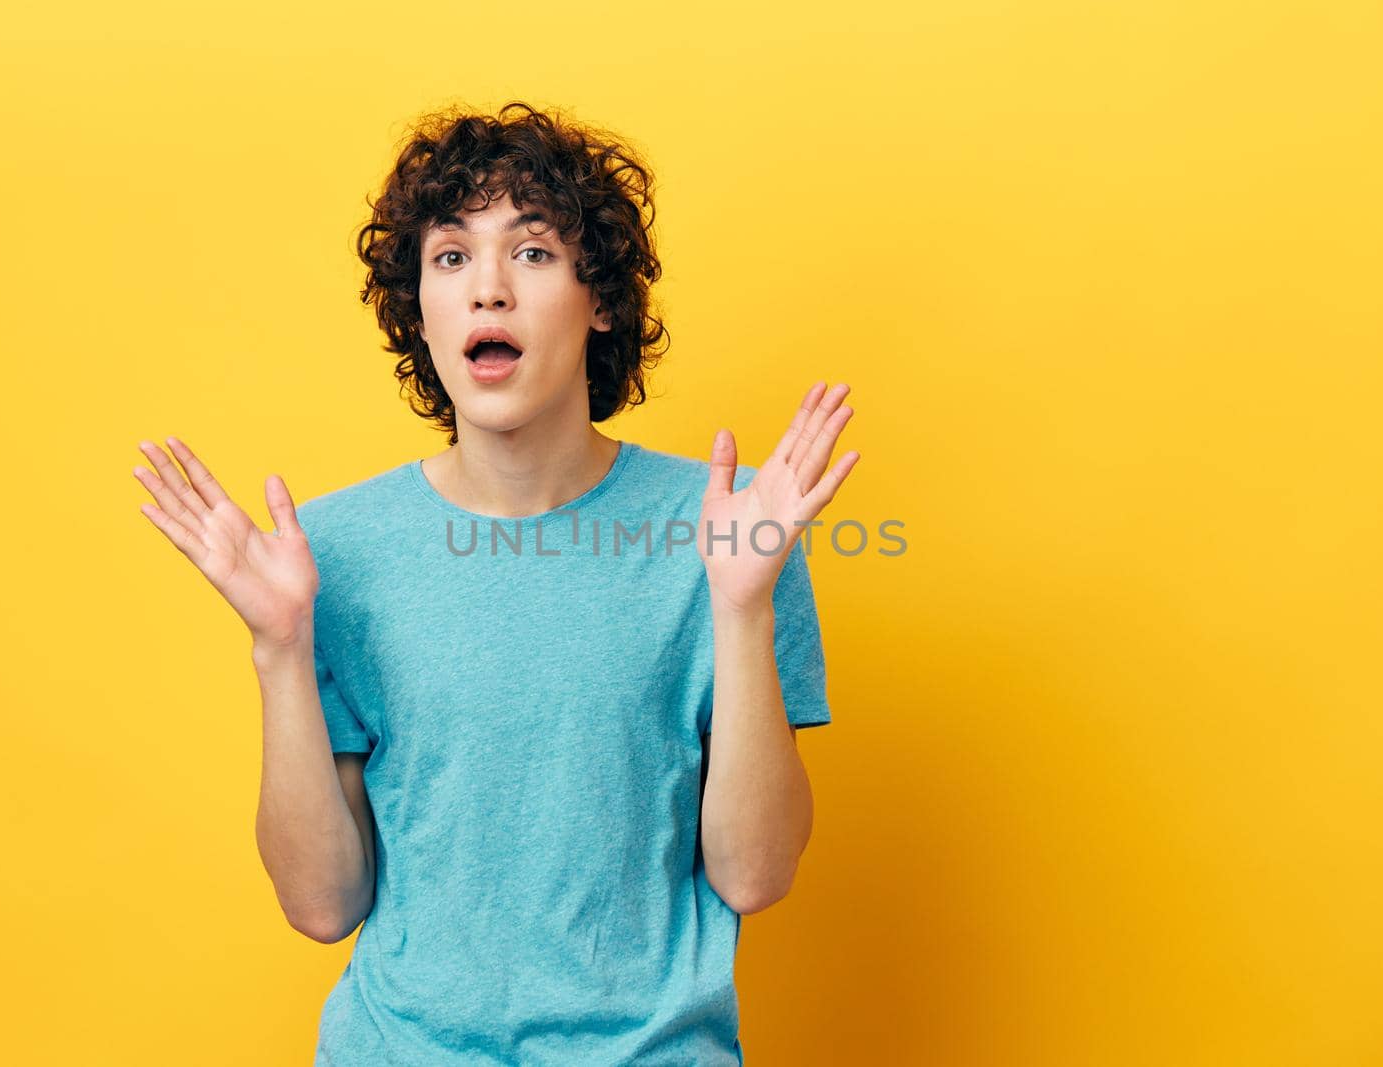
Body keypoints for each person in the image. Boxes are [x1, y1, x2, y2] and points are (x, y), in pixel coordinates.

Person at [133, 100, 859, 1065]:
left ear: (598, 298)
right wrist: (280, 647)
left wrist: (740, 604)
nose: (487, 291)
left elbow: (756, 874)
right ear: (420, 312)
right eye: (449, 257)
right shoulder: (332, 553)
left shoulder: (732, 528)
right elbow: (321, 904)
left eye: (532, 253)